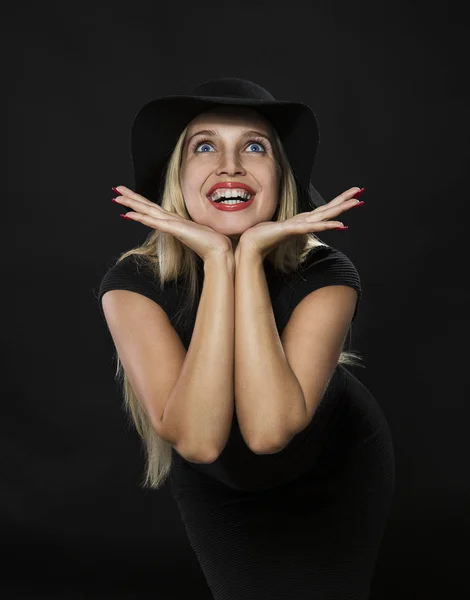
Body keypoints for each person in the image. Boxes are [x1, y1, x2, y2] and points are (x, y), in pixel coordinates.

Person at [97, 78, 395, 600]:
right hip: (221, 485)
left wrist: (250, 256)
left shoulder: (327, 273)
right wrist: (218, 259)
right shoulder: (133, 285)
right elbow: (201, 441)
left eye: (254, 147)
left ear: (281, 177)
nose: (230, 165)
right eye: (204, 146)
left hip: (335, 465)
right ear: (178, 178)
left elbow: (268, 431)